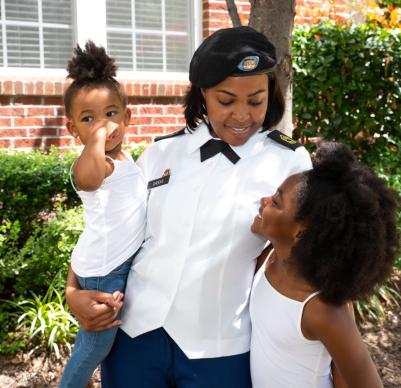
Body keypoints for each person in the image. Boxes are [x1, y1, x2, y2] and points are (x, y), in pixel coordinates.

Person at [65, 26, 312, 387]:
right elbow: (106, 226)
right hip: (134, 335)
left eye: (256, 100)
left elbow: (304, 255)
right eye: (226, 101)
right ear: (203, 94)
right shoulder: (161, 152)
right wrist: (74, 295)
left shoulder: (290, 162)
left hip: (220, 348)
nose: (242, 115)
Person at [250, 141, 399, 388]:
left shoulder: (322, 308)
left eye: (276, 202)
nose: (264, 200)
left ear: (300, 231)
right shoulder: (269, 258)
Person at [59, 41, 147, 387]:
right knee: (95, 346)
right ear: (72, 129)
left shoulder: (129, 162)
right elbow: (88, 177)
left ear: (128, 116)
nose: (102, 125)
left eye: (111, 114)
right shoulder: (95, 165)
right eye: (88, 119)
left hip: (111, 262)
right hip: (104, 272)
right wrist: (96, 139)